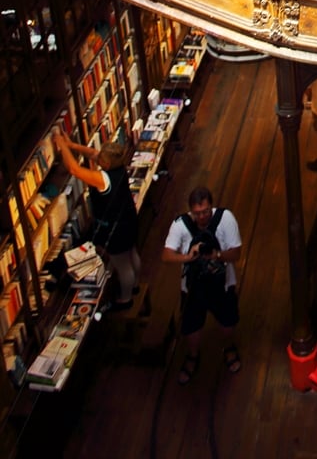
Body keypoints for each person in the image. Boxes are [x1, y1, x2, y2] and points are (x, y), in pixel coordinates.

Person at [162, 185, 242, 384]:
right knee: (191, 326)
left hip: (222, 283)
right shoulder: (181, 225)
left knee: (227, 321)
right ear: (191, 210)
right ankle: (192, 355)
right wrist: (188, 257)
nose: (202, 216)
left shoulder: (225, 219)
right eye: (197, 213)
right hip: (192, 287)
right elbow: (166, 255)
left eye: (205, 211)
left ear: (211, 207)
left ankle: (229, 347)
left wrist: (217, 255)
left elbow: (236, 253)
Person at [55, 133, 141, 309]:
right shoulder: (118, 166)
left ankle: (126, 299)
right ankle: (135, 286)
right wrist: (72, 145)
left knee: (122, 264)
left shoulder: (103, 179)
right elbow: (93, 153)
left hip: (116, 229)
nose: (97, 156)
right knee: (132, 254)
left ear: (106, 163)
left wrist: (61, 145)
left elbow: (75, 170)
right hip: (127, 219)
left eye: (101, 157)